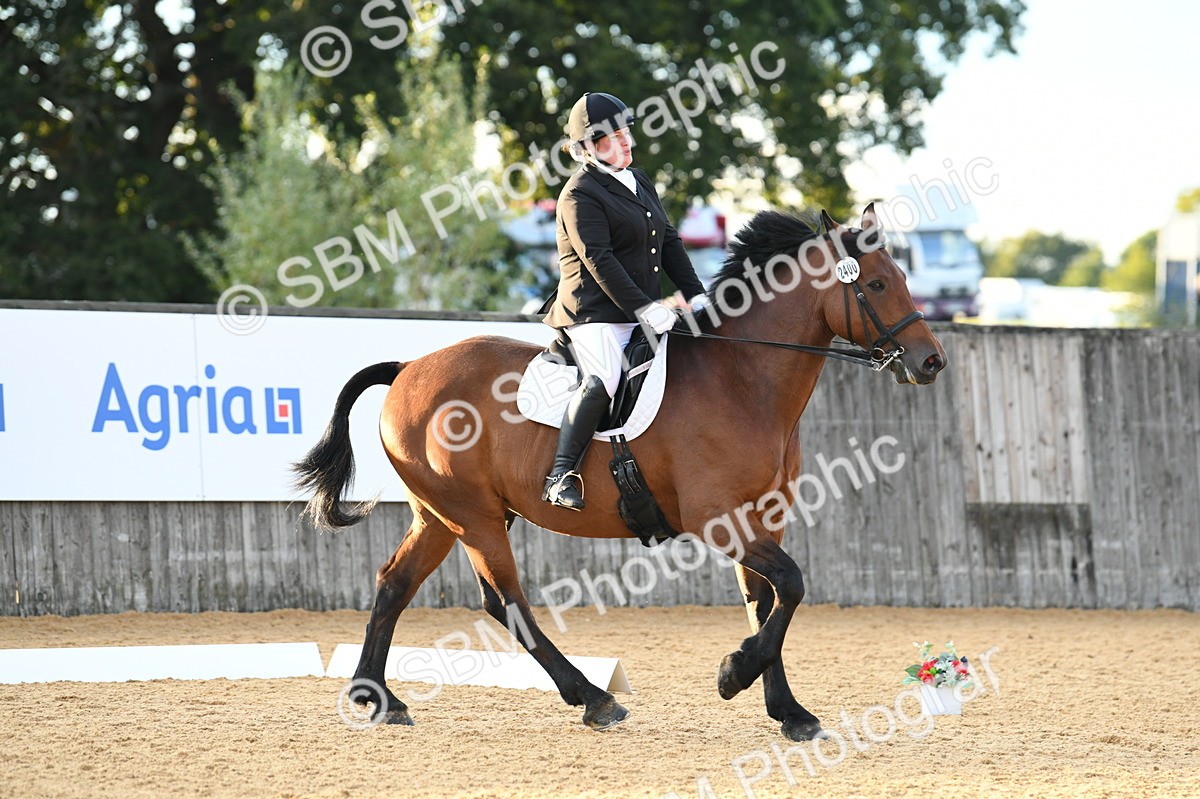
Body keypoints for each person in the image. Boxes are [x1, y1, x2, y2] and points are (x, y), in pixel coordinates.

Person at [540, 91, 709, 511]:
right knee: (605, 380)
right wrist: (647, 308)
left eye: (626, 132)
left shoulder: (639, 180)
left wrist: (697, 294)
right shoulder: (579, 194)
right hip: (594, 315)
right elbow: (600, 260)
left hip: (637, 310)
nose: (625, 142)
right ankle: (561, 474)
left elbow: (669, 241)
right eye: (612, 137)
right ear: (588, 148)